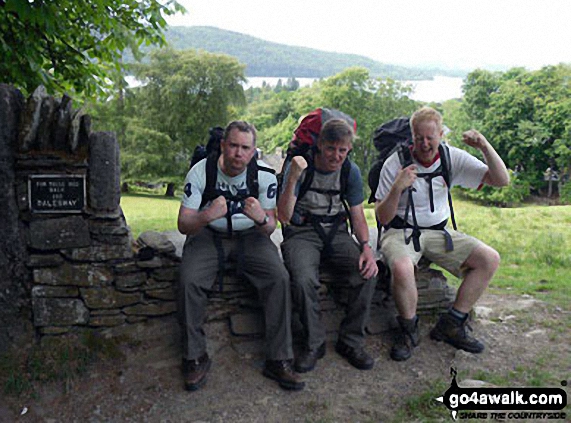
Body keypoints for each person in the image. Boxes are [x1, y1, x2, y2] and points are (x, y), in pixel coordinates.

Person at [177, 121, 304, 391]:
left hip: (251, 236)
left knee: (279, 278)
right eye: (233, 145)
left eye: (245, 148)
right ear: (223, 146)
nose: (238, 153)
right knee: (189, 280)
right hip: (208, 233)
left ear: (254, 151)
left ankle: (279, 359)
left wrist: (261, 219)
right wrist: (205, 215)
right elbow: (183, 224)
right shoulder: (201, 172)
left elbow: (271, 226)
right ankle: (194, 356)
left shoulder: (265, 177)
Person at [374, 106, 510, 361]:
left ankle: (453, 323)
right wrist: (397, 188)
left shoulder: (451, 158)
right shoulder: (395, 163)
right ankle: (408, 330)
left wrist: (483, 145)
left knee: (489, 259)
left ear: (440, 134)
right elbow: (382, 217)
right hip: (400, 230)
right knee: (402, 268)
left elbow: (501, 180)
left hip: (439, 231)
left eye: (430, 138)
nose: (425, 144)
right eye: (419, 138)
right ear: (411, 136)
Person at [278, 118, 378, 373]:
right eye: (331, 148)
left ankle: (351, 341)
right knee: (302, 279)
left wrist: (366, 247)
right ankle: (314, 343)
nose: (336, 156)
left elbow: (357, 214)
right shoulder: (300, 166)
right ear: (320, 144)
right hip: (301, 231)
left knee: (366, 273)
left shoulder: (349, 171)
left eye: (342, 150)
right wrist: (292, 178)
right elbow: (284, 215)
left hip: (336, 231)